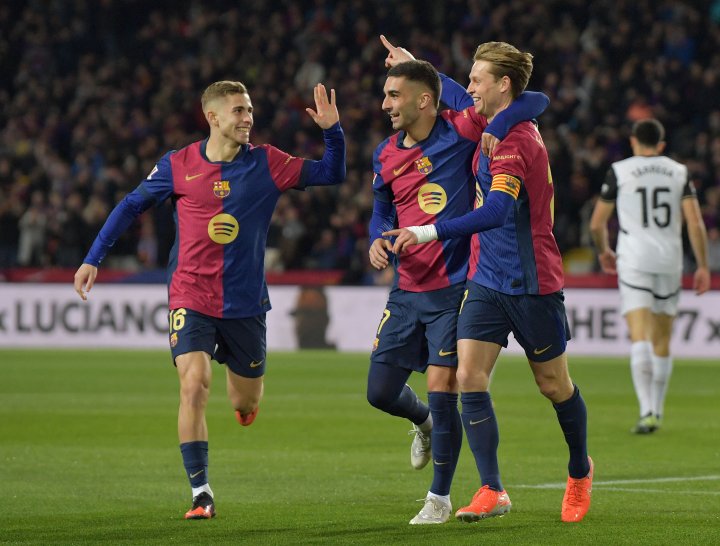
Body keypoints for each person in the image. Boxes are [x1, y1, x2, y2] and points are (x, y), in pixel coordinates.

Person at [73, 80, 345, 519]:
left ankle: (244, 407)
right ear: (213, 117)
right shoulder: (178, 164)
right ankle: (201, 492)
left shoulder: (268, 162)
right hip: (190, 295)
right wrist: (93, 258)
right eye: (238, 110)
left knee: (244, 402)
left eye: (250, 109)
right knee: (193, 384)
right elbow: (129, 206)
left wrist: (332, 131)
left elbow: (332, 173)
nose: (248, 118)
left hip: (245, 305)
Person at [384, 41, 592, 524]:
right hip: (485, 280)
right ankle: (492, 488)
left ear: (503, 86)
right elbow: (451, 93)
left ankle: (580, 470)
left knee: (553, 385)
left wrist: (426, 230)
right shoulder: (488, 121)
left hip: (532, 281)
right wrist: (413, 63)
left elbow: (496, 211)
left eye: (479, 79)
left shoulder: (517, 142)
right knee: (468, 376)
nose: (470, 86)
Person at [589, 118, 710, 434]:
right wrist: (702, 266)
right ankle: (657, 409)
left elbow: (596, 223)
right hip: (670, 261)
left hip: (635, 260)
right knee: (662, 338)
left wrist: (604, 250)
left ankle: (646, 412)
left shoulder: (620, 170)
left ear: (632, 141)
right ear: (661, 145)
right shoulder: (679, 172)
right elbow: (695, 223)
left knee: (639, 335)